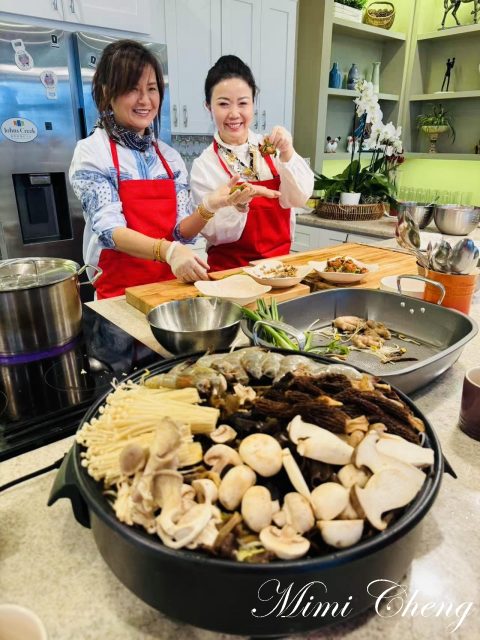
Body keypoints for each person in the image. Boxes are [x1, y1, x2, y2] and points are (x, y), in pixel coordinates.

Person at [69, 40, 251, 299]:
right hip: (119, 297)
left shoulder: (169, 157)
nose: (145, 100)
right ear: (108, 92)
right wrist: (168, 251)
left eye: (152, 89)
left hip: (169, 291)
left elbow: (179, 232)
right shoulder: (92, 152)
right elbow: (109, 231)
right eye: (132, 88)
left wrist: (210, 206)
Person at [190, 55, 314, 271]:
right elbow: (212, 232)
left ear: (253, 104)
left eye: (243, 103)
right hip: (229, 274)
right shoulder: (205, 165)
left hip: (280, 271)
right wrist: (238, 205)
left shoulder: (271, 148)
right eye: (223, 104)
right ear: (208, 106)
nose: (234, 114)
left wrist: (288, 152)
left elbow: (299, 197)